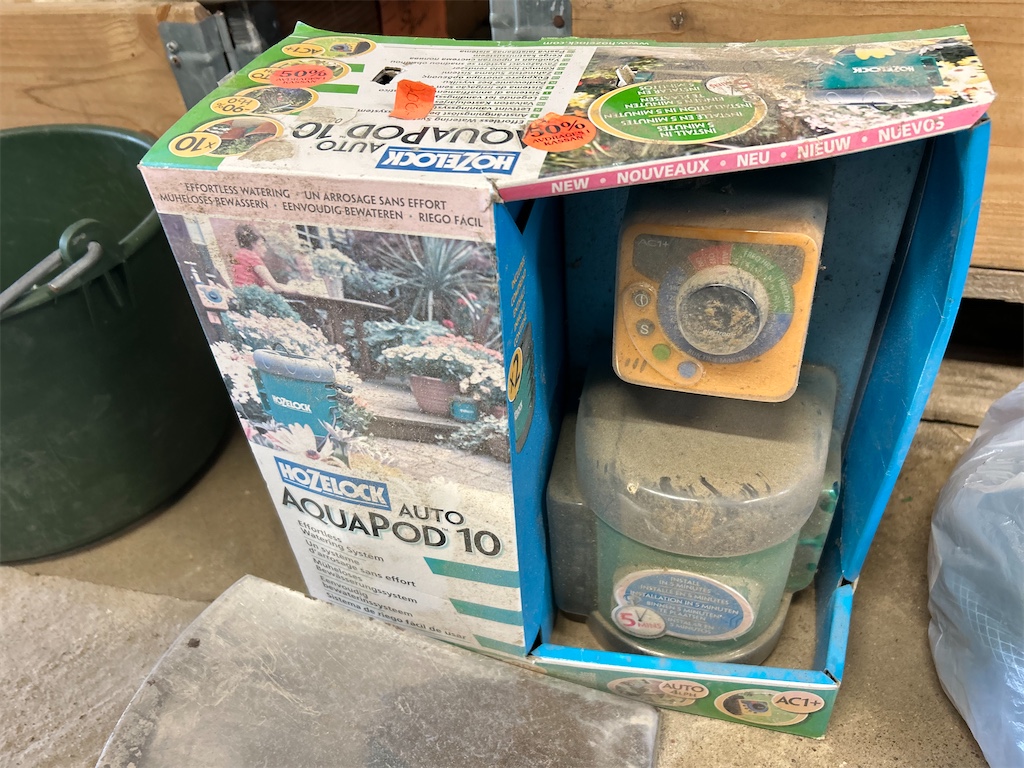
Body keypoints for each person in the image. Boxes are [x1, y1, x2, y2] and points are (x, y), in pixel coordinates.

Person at [230, 224, 303, 296]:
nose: (265, 249)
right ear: (253, 244)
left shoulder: (239, 255)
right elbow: (276, 288)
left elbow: (252, 284)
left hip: (241, 296)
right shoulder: (252, 257)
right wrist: (297, 290)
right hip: (254, 298)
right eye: (262, 244)